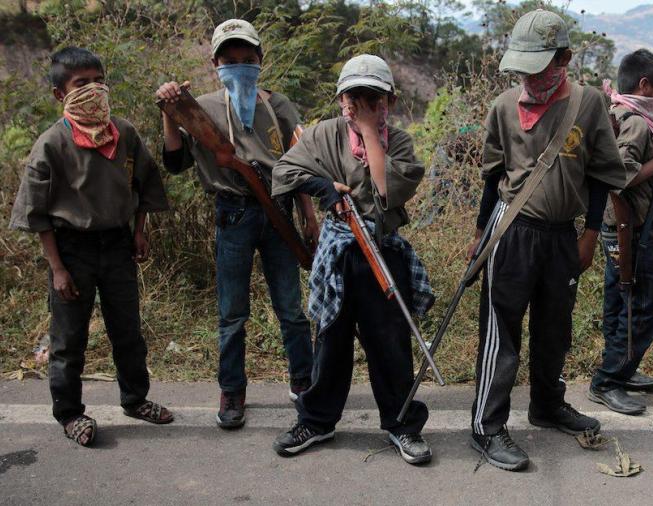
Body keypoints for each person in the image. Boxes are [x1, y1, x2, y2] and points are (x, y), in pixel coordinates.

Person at [468, 9, 627, 471]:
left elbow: (600, 173)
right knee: (501, 331)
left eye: (540, 66)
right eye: (523, 67)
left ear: (564, 58)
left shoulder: (589, 103)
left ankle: (547, 405)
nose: (530, 77)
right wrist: (481, 233)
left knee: (555, 327)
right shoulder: (503, 107)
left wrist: (590, 234)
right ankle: (487, 426)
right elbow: (493, 175)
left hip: (562, 238)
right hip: (512, 234)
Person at [269, 54, 434, 465]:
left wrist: (368, 131)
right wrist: (322, 186)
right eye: (353, 97)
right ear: (341, 98)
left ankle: (402, 425)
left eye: (370, 97)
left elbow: (385, 189)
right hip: (340, 252)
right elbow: (283, 173)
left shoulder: (399, 143)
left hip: (382, 251)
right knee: (330, 338)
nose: (359, 104)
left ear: (388, 102)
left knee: (389, 341)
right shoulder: (324, 134)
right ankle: (317, 420)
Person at [155, 19, 318, 429]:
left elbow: (297, 165)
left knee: (292, 309)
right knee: (232, 313)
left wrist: (309, 218)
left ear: (260, 60)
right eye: (230, 60)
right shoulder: (201, 107)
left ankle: (304, 382)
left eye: (247, 59)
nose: (240, 66)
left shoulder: (278, 105)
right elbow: (175, 163)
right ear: (215, 63)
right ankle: (232, 390)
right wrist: (170, 112)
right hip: (232, 213)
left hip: (279, 211)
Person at [9, 47, 173, 446]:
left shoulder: (124, 133)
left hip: (117, 246)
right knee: (68, 339)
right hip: (71, 251)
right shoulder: (51, 144)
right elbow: (38, 214)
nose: (94, 89)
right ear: (58, 94)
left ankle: (135, 398)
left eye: (99, 81)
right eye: (81, 84)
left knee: (128, 330)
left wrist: (140, 229)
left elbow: (144, 184)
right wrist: (58, 268)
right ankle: (69, 413)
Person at [588, 49, 653, 415]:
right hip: (633, 230)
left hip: (617, 227)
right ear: (644, 85)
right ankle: (608, 379)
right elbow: (619, 177)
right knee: (643, 308)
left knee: (620, 300)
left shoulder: (616, 111)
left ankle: (622, 370)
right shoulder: (637, 122)